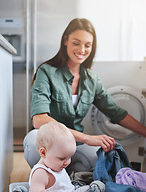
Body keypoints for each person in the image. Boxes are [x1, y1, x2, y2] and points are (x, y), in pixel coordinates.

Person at [24, 18, 146, 173]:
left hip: (75, 147)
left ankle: (70, 176)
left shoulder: (91, 79)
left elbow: (116, 113)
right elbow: (39, 120)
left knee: (108, 159)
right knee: (34, 139)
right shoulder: (47, 72)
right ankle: (54, 177)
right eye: (76, 43)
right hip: (50, 144)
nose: (82, 49)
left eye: (87, 45)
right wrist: (87, 138)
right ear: (65, 40)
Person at [28, 121, 87, 192]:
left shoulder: (55, 164)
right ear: (43, 153)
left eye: (69, 157)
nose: (67, 162)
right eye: (62, 158)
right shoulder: (40, 173)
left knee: (97, 187)